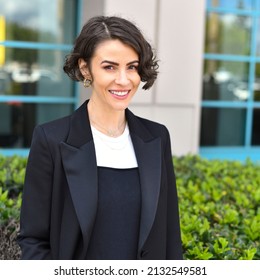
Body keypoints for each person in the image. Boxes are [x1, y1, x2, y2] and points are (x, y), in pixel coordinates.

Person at [17, 15, 183, 260]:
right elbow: (34, 239)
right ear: (86, 68)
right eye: (110, 67)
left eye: (132, 67)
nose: (124, 80)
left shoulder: (157, 138)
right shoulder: (51, 139)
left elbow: (170, 235)